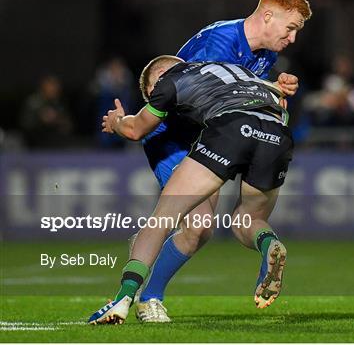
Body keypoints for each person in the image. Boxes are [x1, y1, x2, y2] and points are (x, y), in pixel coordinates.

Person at [136, 0, 311, 322]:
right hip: (174, 134)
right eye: (290, 28)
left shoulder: (266, 53)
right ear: (267, 16)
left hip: (213, 134)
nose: (292, 38)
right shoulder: (217, 43)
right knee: (199, 224)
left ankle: (142, 292)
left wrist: (275, 86)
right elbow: (184, 97)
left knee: (215, 225)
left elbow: (239, 91)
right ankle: (141, 298)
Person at [88, 56, 293, 325]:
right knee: (249, 220)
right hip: (277, 133)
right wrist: (283, 84)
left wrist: (116, 122)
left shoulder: (170, 82)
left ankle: (125, 297)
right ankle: (269, 245)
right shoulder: (238, 71)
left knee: (163, 218)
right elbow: (280, 101)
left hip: (229, 129)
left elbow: (136, 129)